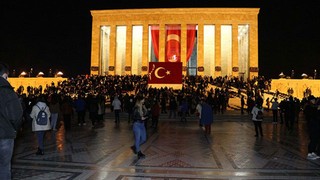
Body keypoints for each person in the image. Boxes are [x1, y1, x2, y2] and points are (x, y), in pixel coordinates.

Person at [0, 62, 23, 179]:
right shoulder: (7, 92)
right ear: (5, 75)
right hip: (4, 135)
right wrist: (14, 129)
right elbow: (17, 116)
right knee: (4, 167)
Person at [303, 96, 320, 160]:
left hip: (316, 126)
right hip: (312, 126)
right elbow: (311, 115)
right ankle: (310, 153)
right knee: (313, 139)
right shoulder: (308, 107)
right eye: (313, 100)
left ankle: (313, 152)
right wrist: (317, 110)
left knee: (316, 139)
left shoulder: (314, 106)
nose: (314, 101)